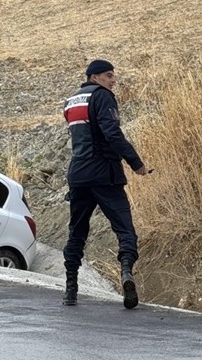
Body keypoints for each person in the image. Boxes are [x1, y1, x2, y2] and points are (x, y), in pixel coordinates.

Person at [61, 59, 149, 308]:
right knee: (125, 229)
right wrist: (135, 162)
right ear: (94, 78)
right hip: (104, 173)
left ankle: (70, 289)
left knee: (76, 232)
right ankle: (126, 272)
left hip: (78, 174)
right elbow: (112, 133)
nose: (113, 81)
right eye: (109, 76)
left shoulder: (71, 101)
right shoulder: (103, 97)